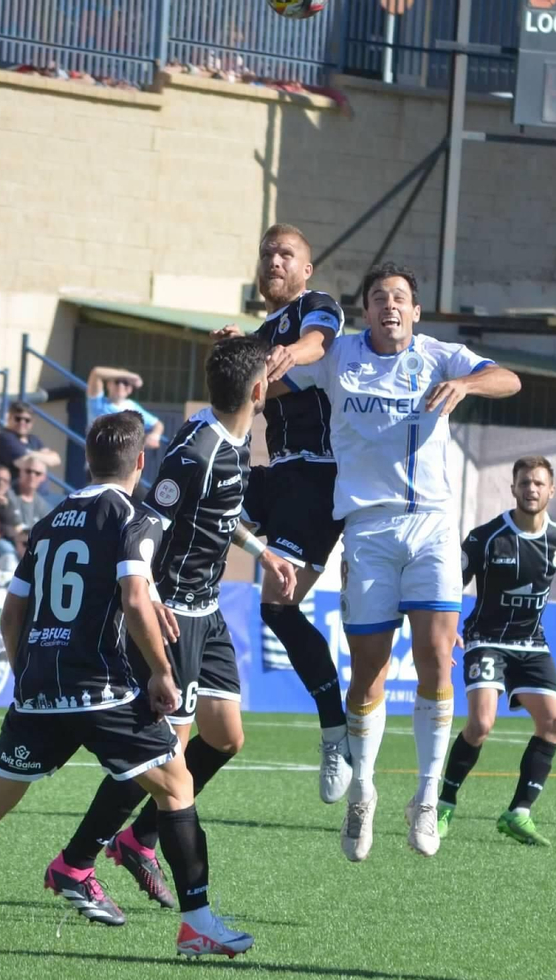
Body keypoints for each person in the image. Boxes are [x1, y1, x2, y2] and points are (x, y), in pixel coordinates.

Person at [0, 411, 253, 959]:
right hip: (102, 689)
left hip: (39, 691)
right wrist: (163, 672)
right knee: (177, 789)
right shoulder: (132, 516)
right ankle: (196, 924)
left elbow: (12, 615)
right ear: (140, 462)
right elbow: (132, 596)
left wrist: (24, 676)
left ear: (87, 460)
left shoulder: (52, 518)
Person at [272, 261, 521, 860]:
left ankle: (427, 796)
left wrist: (469, 383)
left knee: (438, 659)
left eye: (400, 298)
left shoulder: (439, 355)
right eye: (380, 297)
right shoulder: (340, 356)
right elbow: (278, 378)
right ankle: (364, 792)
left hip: (433, 524)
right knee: (370, 674)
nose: (390, 305)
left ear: (414, 311)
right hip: (368, 530)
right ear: (366, 311)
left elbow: (509, 379)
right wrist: (250, 364)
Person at [65, 336, 295, 912]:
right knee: (165, 752)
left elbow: (221, 514)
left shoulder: (239, 442)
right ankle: (76, 860)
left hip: (209, 609)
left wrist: (259, 550)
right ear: (260, 390)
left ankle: (137, 838)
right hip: (175, 614)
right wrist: (139, 592)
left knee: (226, 738)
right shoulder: (196, 450)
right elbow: (149, 522)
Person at [214, 223, 353, 803]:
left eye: (286, 254)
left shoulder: (314, 309)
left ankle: (335, 730)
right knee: (194, 512)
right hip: (277, 471)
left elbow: (317, 344)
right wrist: (238, 347)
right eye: (267, 252)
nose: (274, 260)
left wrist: (285, 354)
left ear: (306, 269)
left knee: (277, 604)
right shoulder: (263, 331)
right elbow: (243, 386)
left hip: (319, 475)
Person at [440, 456, 556, 847]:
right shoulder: (486, 537)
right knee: (481, 724)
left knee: (555, 721)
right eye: (524, 483)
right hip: (486, 638)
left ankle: (518, 812)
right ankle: (443, 803)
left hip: (531, 642)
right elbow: (453, 581)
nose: (532, 489)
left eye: (539, 483)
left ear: (551, 490)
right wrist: (449, 624)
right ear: (513, 488)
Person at [87, 367, 163, 449]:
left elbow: (158, 424)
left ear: (130, 389)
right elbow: (96, 372)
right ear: (108, 384)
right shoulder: (97, 403)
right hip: (98, 459)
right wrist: (133, 377)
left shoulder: (133, 407)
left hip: (126, 459)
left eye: (126, 383)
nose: (121, 385)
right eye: (117, 381)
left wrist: (155, 435)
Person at [0, 402, 60, 481]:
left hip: (33, 492)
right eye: (18, 419)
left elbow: (55, 459)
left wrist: (30, 453)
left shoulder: (34, 439)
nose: (22, 423)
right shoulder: (4, 438)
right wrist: (41, 457)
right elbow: (25, 463)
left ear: (32, 422)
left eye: (27, 420)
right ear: (9, 418)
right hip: (9, 491)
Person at [9, 453, 51, 528]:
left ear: (43, 477)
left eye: (37, 473)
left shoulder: (43, 507)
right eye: (28, 471)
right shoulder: (6, 495)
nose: (32, 475)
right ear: (20, 472)